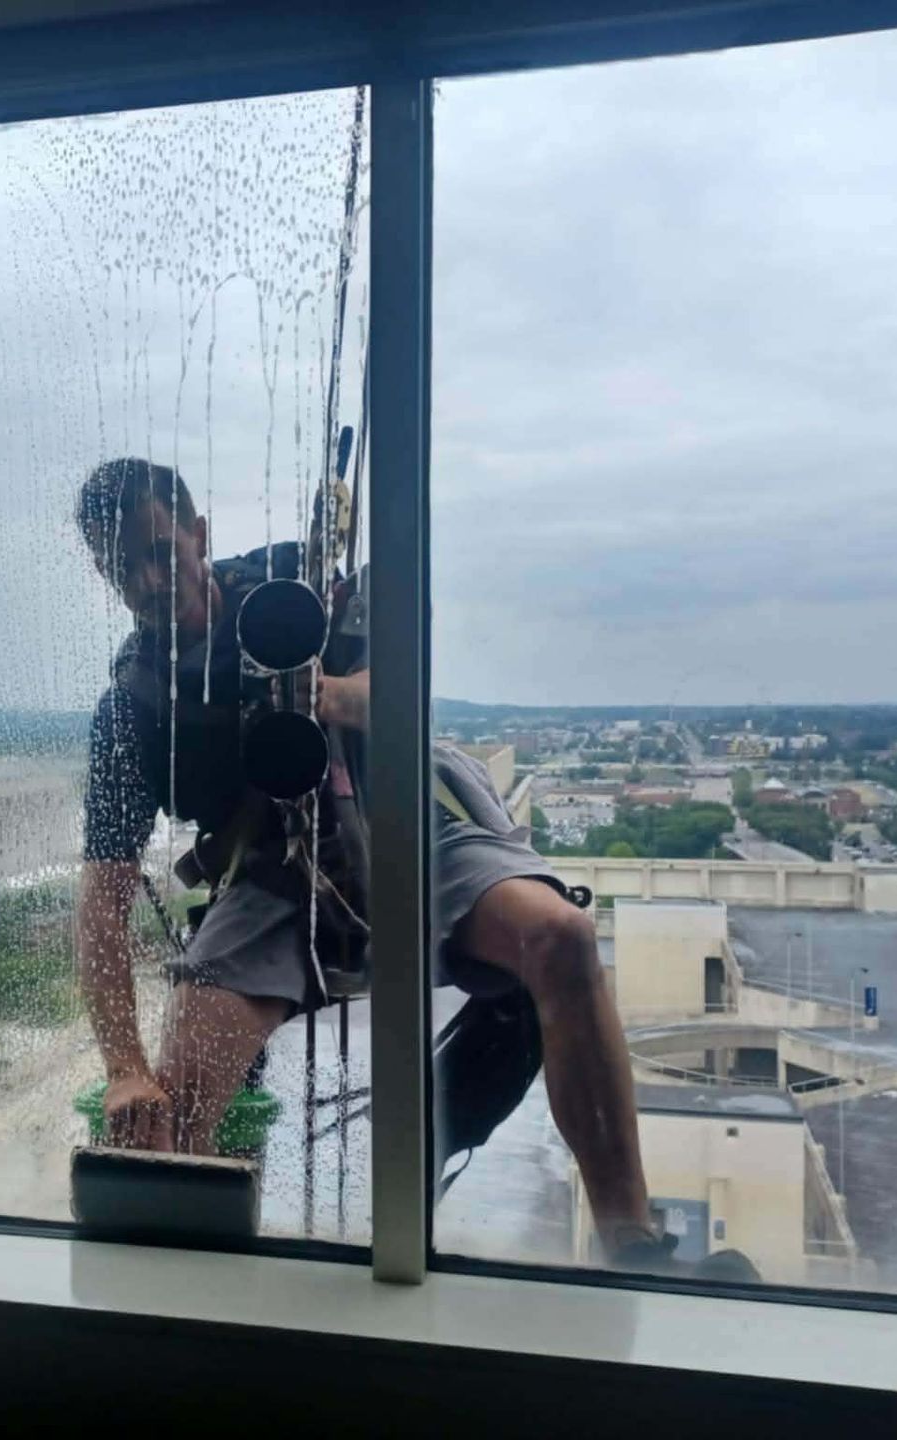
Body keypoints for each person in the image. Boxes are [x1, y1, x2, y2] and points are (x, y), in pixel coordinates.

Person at [72, 456, 694, 1270]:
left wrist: (323, 694)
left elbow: (408, 688)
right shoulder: (137, 706)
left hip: (399, 820)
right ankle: (190, 1297)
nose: (151, 579)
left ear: (199, 533)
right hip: (270, 875)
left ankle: (631, 1241)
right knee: (179, 1089)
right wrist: (124, 1069)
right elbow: (100, 899)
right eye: (124, 566)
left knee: (563, 938)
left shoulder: (299, 589)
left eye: (162, 550)